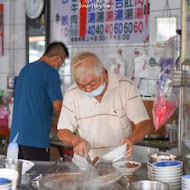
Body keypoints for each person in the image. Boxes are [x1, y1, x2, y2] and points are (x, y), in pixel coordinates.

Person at [57, 52, 150, 163]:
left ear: (103, 73)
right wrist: (75, 140)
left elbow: (144, 124)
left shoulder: (125, 86)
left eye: (92, 83)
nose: (87, 89)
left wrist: (131, 139)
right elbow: (62, 131)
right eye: (81, 85)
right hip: (86, 166)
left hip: (120, 164)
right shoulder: (72, 93)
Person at [10, 41, 69, 161]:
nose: (59, 67)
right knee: (37, 177)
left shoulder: (26, 69)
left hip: (16, 138)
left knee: (20, 176)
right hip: (35, 139)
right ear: (57, 58)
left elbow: (32, 102)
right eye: (61, 64)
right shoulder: (50, 73)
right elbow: (58, 106)